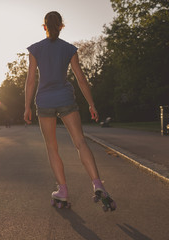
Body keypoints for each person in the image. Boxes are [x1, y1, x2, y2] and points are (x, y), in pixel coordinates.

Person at [24, 11, 116, 211]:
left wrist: (27, 106)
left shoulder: (35, 49)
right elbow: (81, 78)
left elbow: (31, 81)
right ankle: (98, 184)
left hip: (45, 102)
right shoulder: (69, 49)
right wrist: (91, 104)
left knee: (52, 147)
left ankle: (63, 191)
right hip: (66, 99)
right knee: (80, 142)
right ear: (61, 26)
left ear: (44, 26)